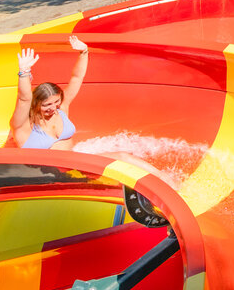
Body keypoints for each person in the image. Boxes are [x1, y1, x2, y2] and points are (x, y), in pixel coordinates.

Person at [11, 37, 174, 182]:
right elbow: (24, 98)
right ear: (36, 104)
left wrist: (84, 52)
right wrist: (24, 73)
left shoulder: (61, 108)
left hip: (76, 167)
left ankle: (164, 180)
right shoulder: (24, 126)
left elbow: (76, 78)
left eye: (56, 102)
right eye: (47, 105)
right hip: (49, 178)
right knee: (118, 166)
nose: (53, 108)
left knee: (124, 157)